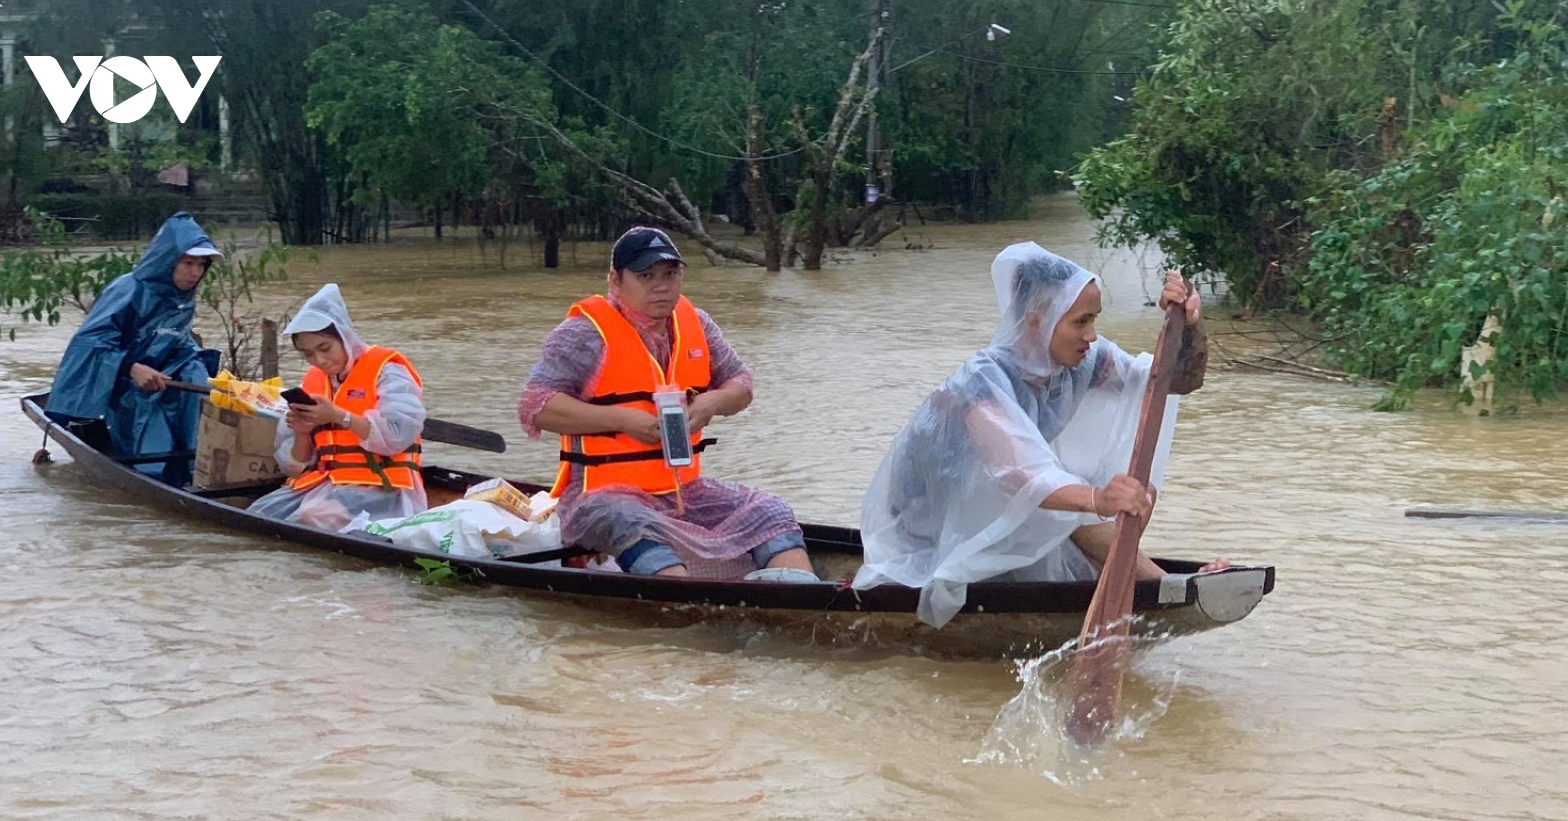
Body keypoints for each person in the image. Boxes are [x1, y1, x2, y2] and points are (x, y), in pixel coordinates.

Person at [854, 241, 1230, 627]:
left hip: (997, 514)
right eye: (1081, 322)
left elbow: (1170, 382)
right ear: (1037, 321)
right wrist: (1099, 499)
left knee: (1076, 501)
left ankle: (1159, 583)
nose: (1091, 335)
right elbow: (1022, 476)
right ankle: (1162, 583)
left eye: (1093, 320)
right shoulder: (979, 387)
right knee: (1068, 501)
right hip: (931, 534)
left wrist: (1187, 326)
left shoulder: (1081, 363)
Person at [518, 226, 815, 580]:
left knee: (770, 510)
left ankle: (799, 593)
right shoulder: (584, 334)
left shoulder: (697, 324)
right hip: (600, 497)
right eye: (646, 276)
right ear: (615, 279)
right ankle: (686, 607)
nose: (661, 286)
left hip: (685, 492)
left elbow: (742, 384)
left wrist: (710, 403)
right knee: (630, 521)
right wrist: (624, 420)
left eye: (670, 275)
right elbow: (536, 406)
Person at [46, 212, 222, 486]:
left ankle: (195, 474)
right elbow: (90, 344)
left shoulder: (183, 297)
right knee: (154, 442)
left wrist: (196, 366)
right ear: (168, 260)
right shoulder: (128, 289)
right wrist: (130, 367)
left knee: (198, 390)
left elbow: (176, 341)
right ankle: (156, 480)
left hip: (168, 380)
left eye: (201, 264)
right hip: (125, 385)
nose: (195, 272)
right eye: (188, 262)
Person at [248, 284, 427, 530]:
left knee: (315, 515)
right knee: (259, 513)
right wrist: (302, 433)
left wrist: (339, 416)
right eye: (308, 354)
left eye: (325, 348)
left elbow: (396, 436)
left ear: (344, 336)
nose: (319, 360)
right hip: (327, 484)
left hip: (384, 488)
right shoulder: (312, 381)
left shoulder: (388, 370)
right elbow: (295, 467)